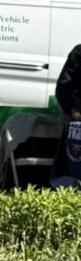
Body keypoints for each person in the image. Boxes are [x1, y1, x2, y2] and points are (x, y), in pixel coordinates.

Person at [51, 44, 81, 189]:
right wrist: (72, 111)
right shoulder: (79, 53)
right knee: (71, 173)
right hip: (78, 122)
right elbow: (63, 87)